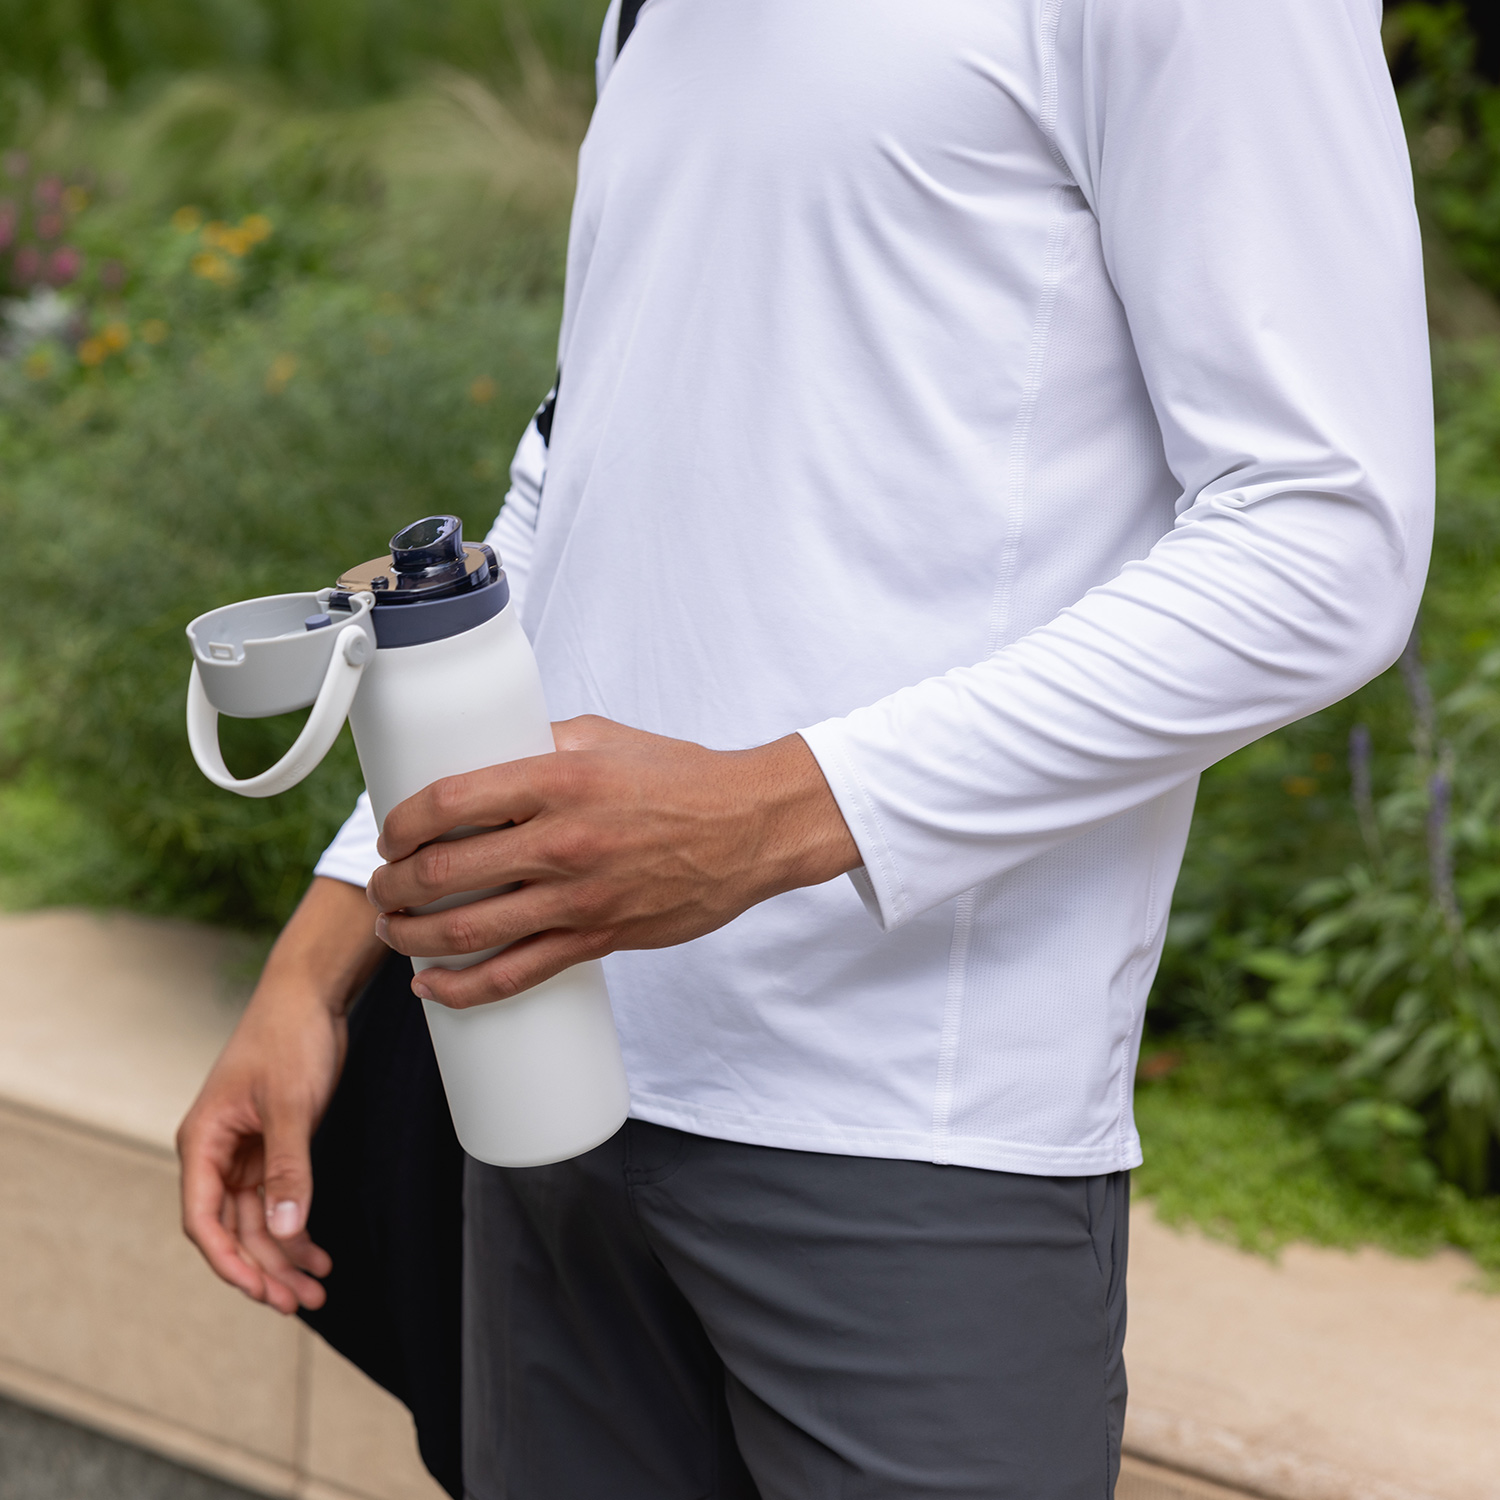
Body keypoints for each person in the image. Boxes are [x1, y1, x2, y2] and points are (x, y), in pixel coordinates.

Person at [177, 0, 1434, 1494]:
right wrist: (323, 955)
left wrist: (773, 816)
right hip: (547, 1080)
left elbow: (1327, 540)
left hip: (908, 1139)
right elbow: (569, 490)